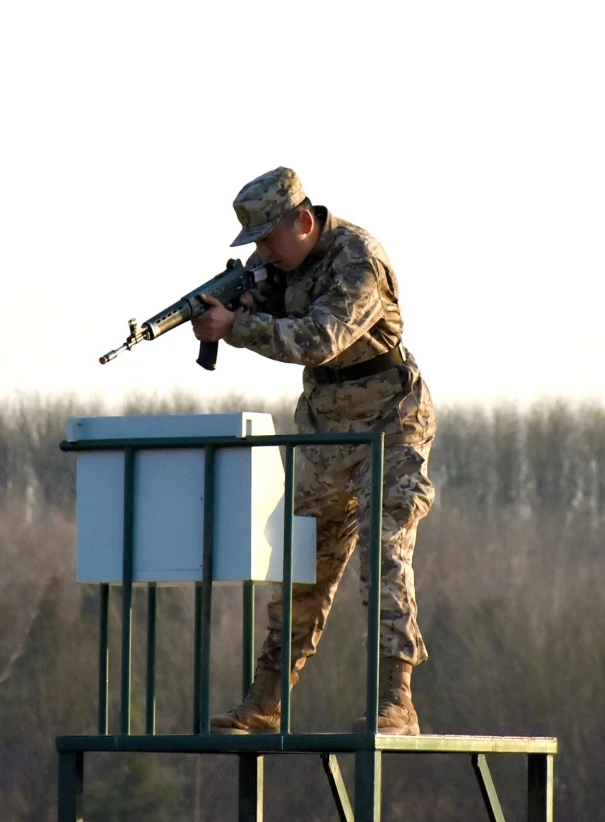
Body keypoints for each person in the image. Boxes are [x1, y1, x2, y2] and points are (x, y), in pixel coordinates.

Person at [190, 167, 437, 735]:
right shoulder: (278, 268)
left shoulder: (357, 258)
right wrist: (235, 306)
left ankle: (396, 701)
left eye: (268, 240)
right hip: (327, 427)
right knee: (303, 564)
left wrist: (236, 327)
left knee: (385, 553)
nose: (263, 254)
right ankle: (266, 700)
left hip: (390, 424)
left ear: (303, 222)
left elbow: (322, 338)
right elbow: (272, 307)